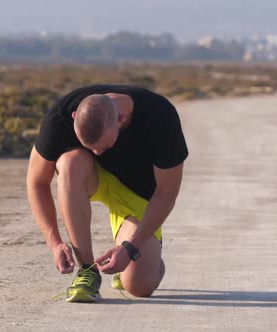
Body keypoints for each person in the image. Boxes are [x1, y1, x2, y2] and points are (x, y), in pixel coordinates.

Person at [26, 84, 188, 303]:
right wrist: (54, 242)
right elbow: (36, 182)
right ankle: (87, 271)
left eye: (103, 147)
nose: (97, 153)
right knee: (70, 162)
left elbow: (167, 194)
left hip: (139, 194)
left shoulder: (160, 117)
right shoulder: (61, 115)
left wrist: (131, 248)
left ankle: (151, 261)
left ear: (121, 119)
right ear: (74, 117)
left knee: (138, 286)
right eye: (89, 147)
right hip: (93, 179)